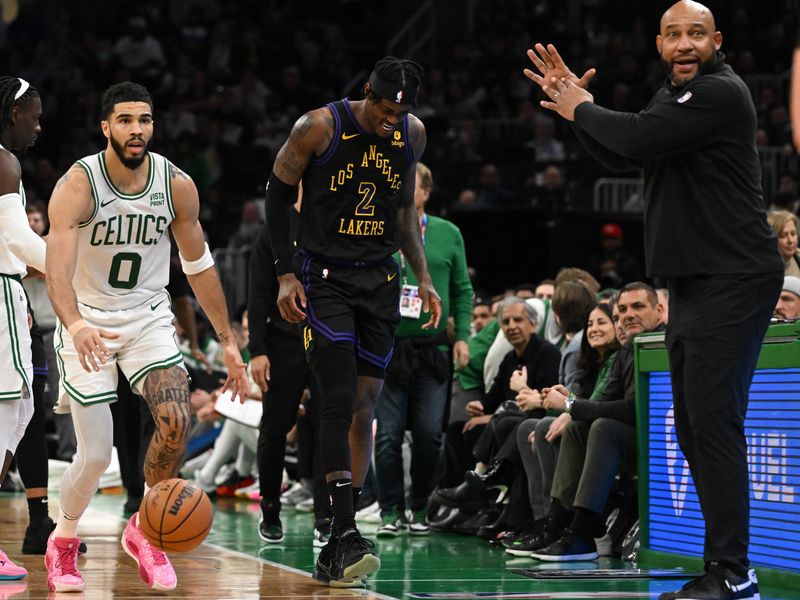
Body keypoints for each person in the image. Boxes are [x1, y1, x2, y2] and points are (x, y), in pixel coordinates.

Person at [526, 2, 783, 597]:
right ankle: (725, 566)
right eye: (674, 35)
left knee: (712, 423)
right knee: (694, 427)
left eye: (697, 33)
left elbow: (636, 136)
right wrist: (576, 113)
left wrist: (582, 107)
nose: (686, 44)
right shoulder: (674, 100)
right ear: (660, 44)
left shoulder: (721, 93)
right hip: (695, 281)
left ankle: (732, 572)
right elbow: (625, 151)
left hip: (734, 275)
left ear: (717, 39)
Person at [44, 82, 249, 593]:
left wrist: (227, 341)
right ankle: (63, 542)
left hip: (148, 317)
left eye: (145, 120)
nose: (137, 130)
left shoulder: (176, 185)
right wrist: (74, 324)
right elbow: (56, 271)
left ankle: (147, 530)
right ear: (106, 127)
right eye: (126, 120)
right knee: (95, 454)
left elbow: (198, 266)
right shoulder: (78, 185)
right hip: (87, 319)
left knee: (176, 419)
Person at [266, 57, 442, 587]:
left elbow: (404, 213)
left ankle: (340, 533)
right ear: (368, 93)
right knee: (337, 398)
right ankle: (341, 528)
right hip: (325, 278)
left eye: (403, 111)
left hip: (380, 281)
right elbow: (276, 196)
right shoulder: (318, 126)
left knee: (366, 405)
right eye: (386, 109)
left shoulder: (412, 133)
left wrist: (424, 275)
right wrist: (284, 275)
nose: (394, 119)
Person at [374, 162, 473, 537]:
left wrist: (462, 335)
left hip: (434, 350)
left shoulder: (448, 233)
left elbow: (463, 289)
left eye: (408, 183)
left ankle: (420, 507)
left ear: (425, 192)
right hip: (387, 348)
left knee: (431, 434)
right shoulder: (380, 229)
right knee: (387, 436)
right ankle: (389, 511)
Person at [0, 76, 46, 581]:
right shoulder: (4, 161)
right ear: (13, 115)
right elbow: (21, 242)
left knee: (22, 408)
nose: (39, 125)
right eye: (34, 116)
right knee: (10, 411)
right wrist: (77, 267)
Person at [767, 210, 800, 277]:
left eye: (793, 234)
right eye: (783, 235)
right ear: (771, 239)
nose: (790, 241)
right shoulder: (762, 270)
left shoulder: (798, 256)